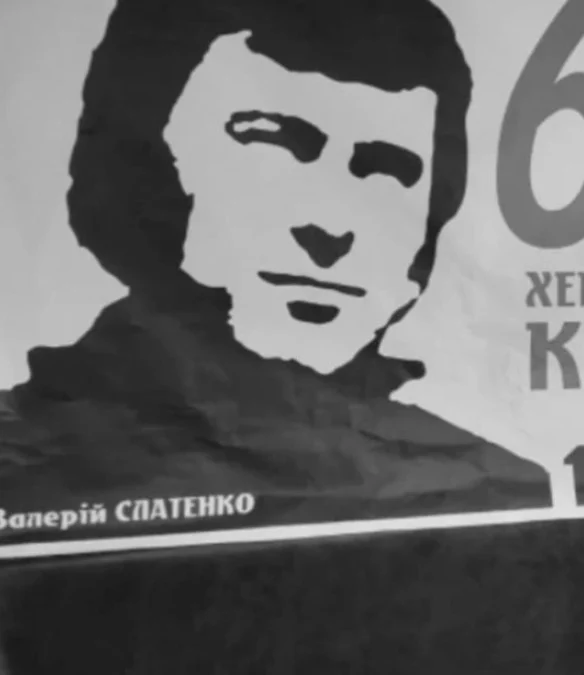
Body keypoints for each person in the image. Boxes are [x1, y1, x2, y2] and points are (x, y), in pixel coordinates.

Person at [0, 0, 551, 545]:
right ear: (140, 172)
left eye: (389, 172)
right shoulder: (23, 469)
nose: (331, 228)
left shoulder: (502, 495)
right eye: (273, 147)